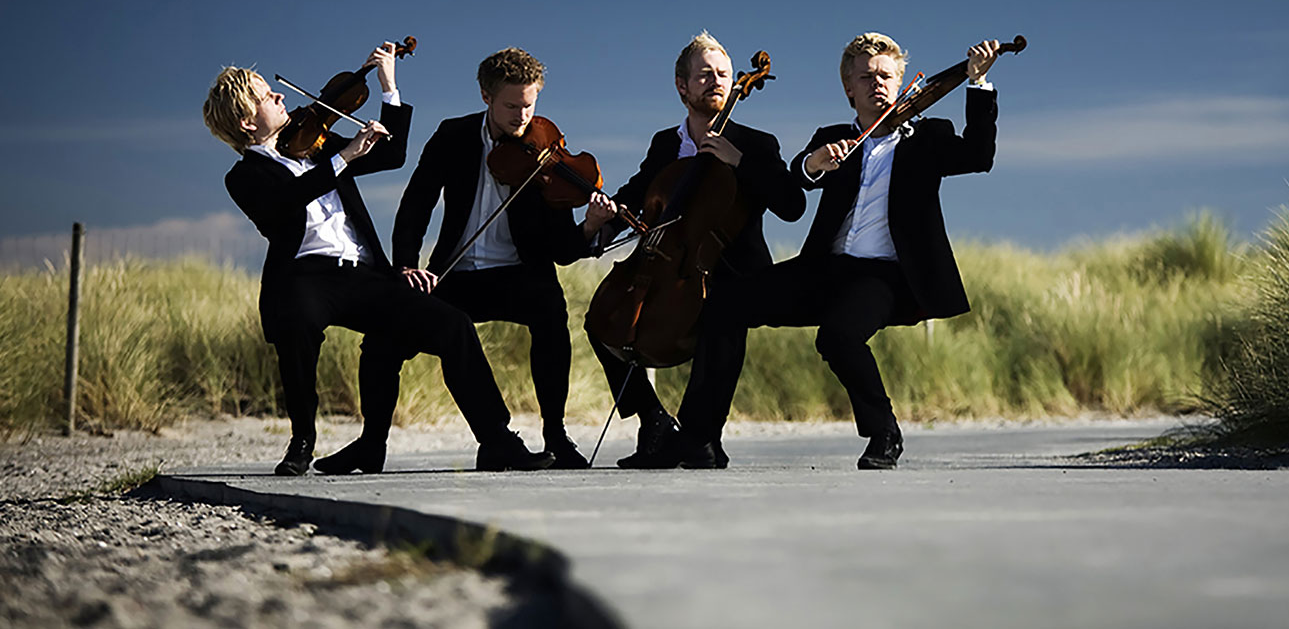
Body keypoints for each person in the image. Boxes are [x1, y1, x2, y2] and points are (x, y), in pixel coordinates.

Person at [202, 42, 553, 475]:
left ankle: (495, 441)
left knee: (451, 325)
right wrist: (343, 157)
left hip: (364, 274)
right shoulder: (244, 176)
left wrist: (389, 86)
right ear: (245, 121)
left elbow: (392, 155)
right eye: (264, 96)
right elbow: (284, 203)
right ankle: (301, 442)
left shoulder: (316, 144)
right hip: (305, 275)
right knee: (297, 325)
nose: (279, 96)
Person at [675, 32, 999, 470]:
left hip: (882, 276)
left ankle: (884, 432)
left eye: (885, 76)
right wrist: (813, 164)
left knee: (838, 336)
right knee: (724, 304)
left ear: (901, 81)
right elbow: (794, 185)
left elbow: (979, 155)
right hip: (823, 269)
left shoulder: (928, 137)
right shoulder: (832, 137)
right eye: (865, 77)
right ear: (849, 87)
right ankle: (699, 439)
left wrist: (978, 82)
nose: (877, 83)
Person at [315, 48, 619, 474]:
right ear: (485, 97)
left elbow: (563, 251)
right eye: (511, 106)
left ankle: (555, 436)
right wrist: (406, 265)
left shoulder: (544, 151)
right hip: (453, 273)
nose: (522, 116)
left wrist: (589, 228)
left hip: (519, 274)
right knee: (384, 333)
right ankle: (371, 444)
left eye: (529, 105)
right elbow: (416, 204)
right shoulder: (452, 136)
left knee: (551, 312)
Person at [594, 31, 806, 468]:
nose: (717, 81)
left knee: (724, 311)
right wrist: (603, 219)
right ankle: (654, 421)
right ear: (682, 86)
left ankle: (701, 437)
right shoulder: (664, 144)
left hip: (735, 272)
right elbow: (639, 192)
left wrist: (738, 161)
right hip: (671, 267)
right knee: (603, 320)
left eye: (724, 74)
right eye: (705, 74)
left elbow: (792, 205)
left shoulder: (756, 143)